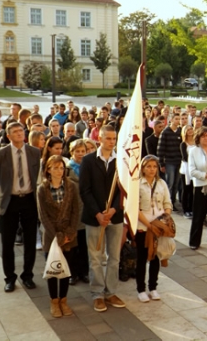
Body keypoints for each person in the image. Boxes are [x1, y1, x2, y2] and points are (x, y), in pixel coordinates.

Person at [79, 125, 125, 312]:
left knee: (114, 257)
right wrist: (98, 214)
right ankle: (97, 293)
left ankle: (111, 291)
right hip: (94, 216)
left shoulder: (121, 161)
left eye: (114, 139)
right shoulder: (88, 160)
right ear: (100, 138)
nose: (112, 142)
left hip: (115, 215)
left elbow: (124, 189)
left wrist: (113, 210)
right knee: (96, 257)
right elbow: (85, 190)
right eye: (108, 138)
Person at [0, 122, 41, 293]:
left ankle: (27, 275)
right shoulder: (1, 154)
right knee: (7, 242)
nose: (19, 133)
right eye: (15, 131)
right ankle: (10, 278)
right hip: (10, 201)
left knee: (30, 240)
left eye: (21, 130)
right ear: (8, 136)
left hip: (29, 200)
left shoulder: (34, 152)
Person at [37, 155, 80, 317]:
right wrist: (56, 236)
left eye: (61, 168)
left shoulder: (71, 186)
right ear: (48, 170)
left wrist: (70, 232)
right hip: (51, 235)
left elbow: (75, 210)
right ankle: (54, 300)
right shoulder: (42, 189)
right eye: (55, 168)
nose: (59, 171)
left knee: (65, 269)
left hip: (68, 234)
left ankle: (63, 299)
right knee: (53, 268)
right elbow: (43, 215)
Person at [136, 155, 173, 302]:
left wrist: (164, 220)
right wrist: (149, 225)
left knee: (156, 256)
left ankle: (153, 287)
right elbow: (135, 208)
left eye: (154, 166)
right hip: (143, 226)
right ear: (143, 168)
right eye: (148, 166)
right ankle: (141, 289)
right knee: (142, 257)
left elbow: (167, 203)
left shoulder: (162, 183)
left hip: (159, 225)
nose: (152, 169)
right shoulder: (137, 184)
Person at [66, 139, 90, 285]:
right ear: (72, 152)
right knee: (72, 246)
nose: (80, 154)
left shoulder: (89, 166)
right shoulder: (67, 168)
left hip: (86, 211)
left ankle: (84, 272)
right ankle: (73, 273)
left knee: (84, 245)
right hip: (73, 212)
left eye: (83, 151)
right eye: (77, 151)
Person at [157, 113, 182, 209]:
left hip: (178, 161)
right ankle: (166, 203)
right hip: (169, 162)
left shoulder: (180, 131)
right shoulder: (165, 132)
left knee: (176, 184)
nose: (178, 121)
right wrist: (161, 164)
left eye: (179, 119)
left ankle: (172, 202)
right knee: (169, 183)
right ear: (171, 120)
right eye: (176, 119)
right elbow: (160, 149)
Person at [180, 125, 195, 218]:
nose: (190, 131)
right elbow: (184, 157)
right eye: (188, 130)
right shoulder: (183, 144)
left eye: (191, 129)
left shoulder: (196, 142)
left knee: (192, 190)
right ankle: (185, 210)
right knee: (186, 189)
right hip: (186, 170)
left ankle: (191, 208)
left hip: (194, 169)